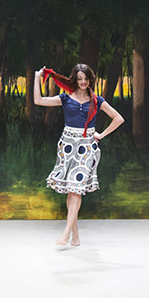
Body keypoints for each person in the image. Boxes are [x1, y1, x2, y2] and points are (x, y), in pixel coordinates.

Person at [34, 64, 125, 247]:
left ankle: (66, 233)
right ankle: (75, 235)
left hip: (86, 147)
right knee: (71, 190)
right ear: (75, 79)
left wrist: (101, 134)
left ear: (91, 80)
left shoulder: (97, 101)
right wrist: (37, 78)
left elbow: (118, 118)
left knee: (76, 189)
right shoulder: (65, 98)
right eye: (79, 78)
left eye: (86, 78)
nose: (83, 82)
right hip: (67, 146)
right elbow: (39, 101)